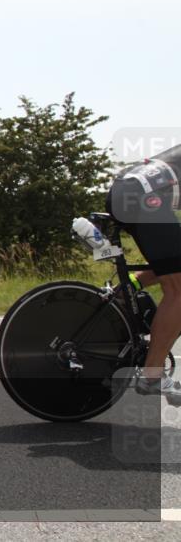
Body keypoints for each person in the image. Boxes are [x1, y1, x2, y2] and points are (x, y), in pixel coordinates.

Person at [106, 144, 181, 404]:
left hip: (129, 191)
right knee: (179, 290)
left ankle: (128, 290)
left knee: (173, 265)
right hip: (143, 196)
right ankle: (152, 376)